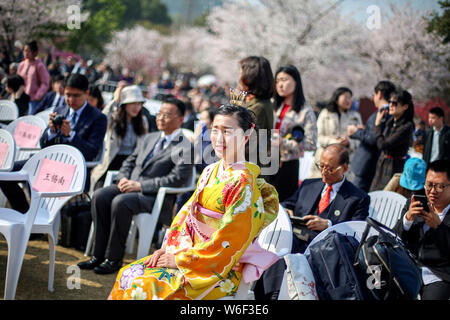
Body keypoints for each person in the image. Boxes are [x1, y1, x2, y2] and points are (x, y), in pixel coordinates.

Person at [107, 102, 280, 300]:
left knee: (147, 287)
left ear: (246, 136)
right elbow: (186, 217)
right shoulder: (210, 171)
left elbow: (229, 242)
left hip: (216, 268)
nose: (219, 138)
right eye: (215, 130)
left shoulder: (243, 184)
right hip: (190, 253)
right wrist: (169, 249)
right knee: (128, 274)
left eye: (228, 131)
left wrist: (182, 260)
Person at [78, 96, 194, 275]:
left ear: (180, 119)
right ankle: (98, 255)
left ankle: (114, 259)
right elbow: (129, 161)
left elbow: (176, 179)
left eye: (167, 115)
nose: (161, 118)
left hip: (153, 197)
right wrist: (123, 178)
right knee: (100, 195)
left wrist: (140, 185)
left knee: (120, 202)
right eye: (160, 113)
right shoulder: (150, 137)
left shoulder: (186, 147)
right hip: (129, 186)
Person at [255, 143, 370, 300]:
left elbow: (356, 233)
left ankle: (273, 296)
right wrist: (287, 211)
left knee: (285, 253)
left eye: (329, 168)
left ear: (344, 168)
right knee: (276, 249)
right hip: (294, 239)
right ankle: (269, 295)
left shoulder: (358, 198)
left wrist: (328, 225)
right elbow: (286, 204)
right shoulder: (310, 184)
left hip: (325, 251)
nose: (323, 172)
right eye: (320, 166)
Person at [393, 159, 450, 300]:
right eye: (429, 185)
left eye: (440, 187)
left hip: (439, 275)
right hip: (408, 267)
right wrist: (408, 219)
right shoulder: (416, 202)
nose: (432, 191)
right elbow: (394, 237)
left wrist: (439, 227)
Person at [89, 85, 150, 192]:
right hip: (112, 161)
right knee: (99, 191)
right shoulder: (114, 118)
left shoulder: (143, 121)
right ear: (125, 104)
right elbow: (101, 118)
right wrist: (115, 100)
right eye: (133, 103)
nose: (136, 107)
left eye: (139, 104)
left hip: (131, 164)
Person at [271, 64, 317, 202]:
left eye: (284, 80)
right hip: (267, 161)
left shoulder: (305, 111)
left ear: (296, 82)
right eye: (277, 81)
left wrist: (283, 143)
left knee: (282, 204)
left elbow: (311, 143)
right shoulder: (273, 105)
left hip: (287, 165)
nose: (280, 85)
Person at [348, 81, 396, 192]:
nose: (373, 98)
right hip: (372, 163)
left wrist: (355, 132)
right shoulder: (390, 112)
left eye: (373, 95)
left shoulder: (382, 112)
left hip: (366, 164)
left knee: (356, 197)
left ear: (379, 94)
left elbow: (373, 138)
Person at [310, 87, 362, 178]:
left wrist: (349, 142)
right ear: (337, 98)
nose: (348, 100)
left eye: (350, 98)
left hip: (345, 161)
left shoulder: (355, 116)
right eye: (345, 97)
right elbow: (318, 136)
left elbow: (360, 139)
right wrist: (334, 142)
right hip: (324, 159)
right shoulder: (325, 114)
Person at [370, 90, 415, 191]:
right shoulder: (390, 121)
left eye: (394, 103)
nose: (390, 105)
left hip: (394, 166)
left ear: (405, 106)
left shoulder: (407, 126)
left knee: (386, 197)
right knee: (374, 195)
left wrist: (377, 125)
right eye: (389, 102)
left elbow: (383, 145)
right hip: (382, 162)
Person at [238, 56, 275, 178]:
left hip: (250, 171)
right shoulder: (260, 103)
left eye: (241, 72)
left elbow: (246, 142)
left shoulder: (257, 108)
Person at [17, 40, 50, 115]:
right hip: (21, 97)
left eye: (28, 51)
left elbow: (45, 83)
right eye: (25, 50)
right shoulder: (22, 65)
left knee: (30, 119)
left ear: (35, 53)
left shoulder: (39, 65)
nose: (26, 53)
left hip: (32, 99)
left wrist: (37, 96)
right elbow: (18, 80)